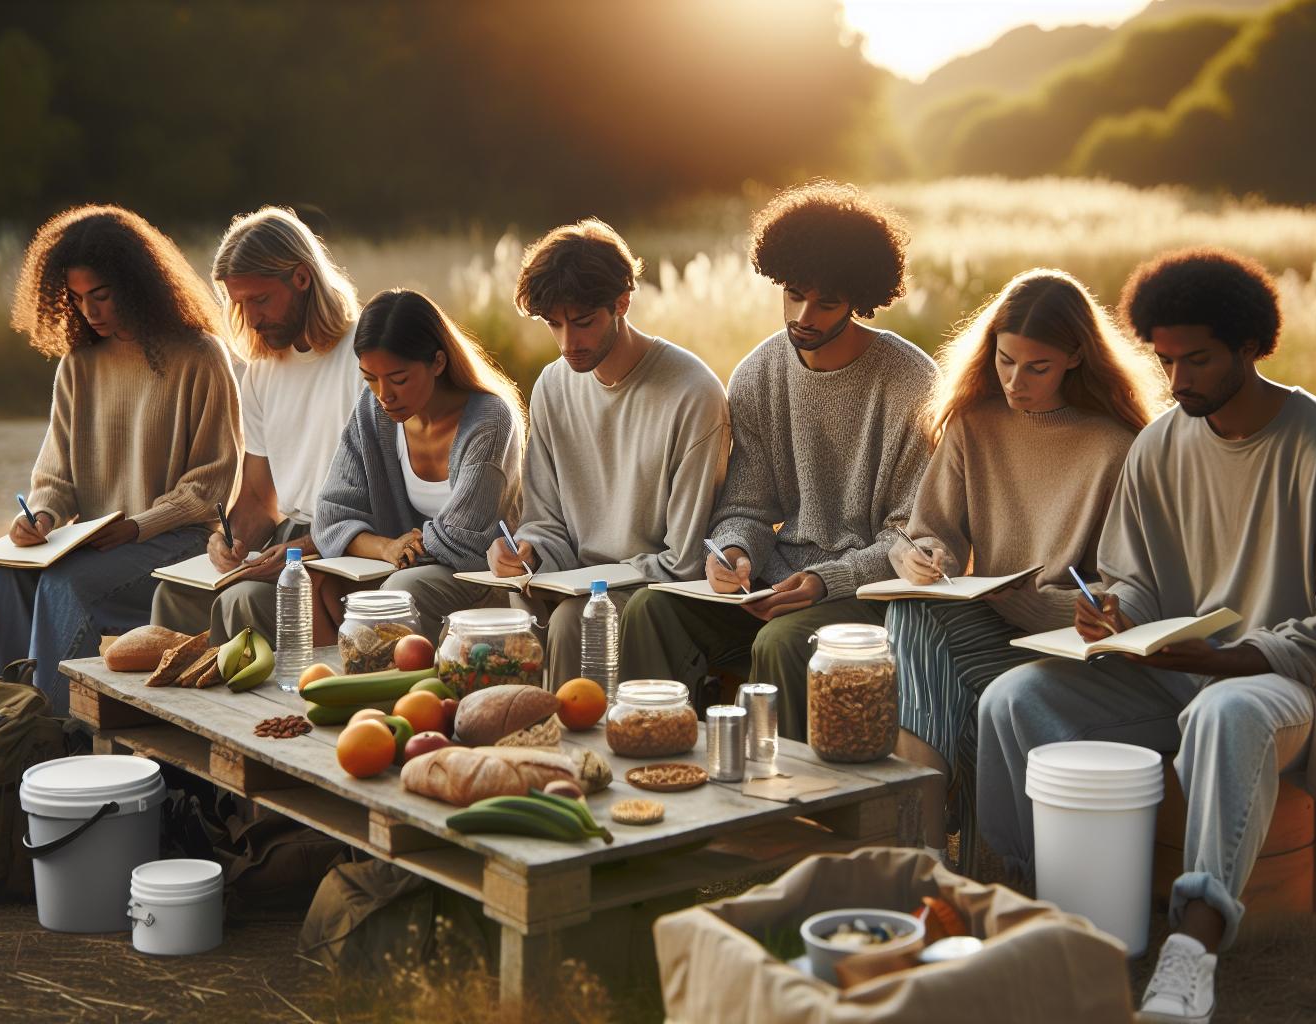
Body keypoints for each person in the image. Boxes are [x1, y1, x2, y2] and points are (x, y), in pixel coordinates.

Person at [975, 248, 1316, 1024]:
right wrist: (1112, 613)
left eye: (1197, 359)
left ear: (1250, 347)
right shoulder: (1161, 445)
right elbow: (1136, 580)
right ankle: (1031, 901)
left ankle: (1190, 951)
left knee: (1223, 711)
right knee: (1011, 699)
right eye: (1165, 360)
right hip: (1174, 674)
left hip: (1292, 692)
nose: (1178, 381)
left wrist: (1230, 660)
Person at [618, 181, 935, 740]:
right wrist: (734, 550)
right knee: (650, 609)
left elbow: (910, 537)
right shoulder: (759, 373)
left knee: (781, 640)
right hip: (772, 585)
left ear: (859, 299)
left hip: (866, 594)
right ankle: (657, 760)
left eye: (827, 302)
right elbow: (747, 504)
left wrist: (826, 580)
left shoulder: (913, 383)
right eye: (794, 294)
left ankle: (784, 801)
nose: (804, 315)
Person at [887, 268, 1165, 872]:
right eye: (1005, 361)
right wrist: (924, 556)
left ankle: (928, 858)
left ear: (1074, 357)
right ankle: (937, 855)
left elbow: (1124, 587)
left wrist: (1068, 607)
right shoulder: (971, 425)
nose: (1014, 381)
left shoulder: (1117, 446)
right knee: (911, 610)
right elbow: (932, 529)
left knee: (949, 686)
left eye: (1036, 367)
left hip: (1064, 641)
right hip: (988, 618)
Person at [0, 205, 242, 715]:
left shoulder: (201, 355)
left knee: (64, 584)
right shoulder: (78, 366)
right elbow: (55, 476)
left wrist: (138, 526)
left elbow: (213, 484)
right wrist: (42, 518)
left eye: (101, 295)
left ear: (138, 285)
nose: (88, 311)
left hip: (177, 542)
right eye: (76, 298)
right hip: (95, 541)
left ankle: (42, 737)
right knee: (11, 575)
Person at [490, 218, 730, 684]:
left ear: (623, 303)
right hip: (573, 586)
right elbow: (545, 521)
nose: (566, 344)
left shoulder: (692, 393)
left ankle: (571, 750)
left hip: (657, 596)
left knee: (571, 621)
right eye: (552, 324)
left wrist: (590, 584)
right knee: (507, 616)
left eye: (582, 323)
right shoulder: (552, 387)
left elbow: (684, 561)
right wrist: (529, 554)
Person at [150, 206, 362, 640]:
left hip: (347, 542)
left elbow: (385, 498)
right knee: (172, 594)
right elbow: (257, 497)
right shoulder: (263, 371)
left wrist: (305, 549)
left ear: (302, 278)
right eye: (239, 303)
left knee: (241, 602)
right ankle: (160, 711)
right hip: (287, 538)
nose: (250, 318)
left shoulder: (365, 357)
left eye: (260, 299)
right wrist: (230, 543)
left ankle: (257, 710)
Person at [311, 289, 525, 643]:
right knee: (315, 588)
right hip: (398, 572)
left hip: (479, 582)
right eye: (370, 378)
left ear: (438, 363)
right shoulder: (373, 411)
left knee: (397, 596)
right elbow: (330, 517)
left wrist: (400, 548)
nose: (384, 394)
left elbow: (464, 541)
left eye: (398, 379)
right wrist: (386, 547)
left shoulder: (489, 421)